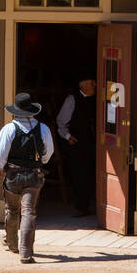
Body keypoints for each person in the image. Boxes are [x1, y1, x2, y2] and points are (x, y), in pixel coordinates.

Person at [0, 92, 55, 264]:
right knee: (29, 212)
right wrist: (39, 162)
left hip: (13, 174)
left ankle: (13, 244)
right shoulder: (43, 129)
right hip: (34, 175)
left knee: (12, 209)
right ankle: (26, 253)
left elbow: (0, 154)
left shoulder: (9, 129)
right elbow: (48, 153)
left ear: (15, 111)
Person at [57, 78, 97, 216]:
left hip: (93, 142)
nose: (95, 85)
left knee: (91, 174)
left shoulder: (97, 99)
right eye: (92, 82)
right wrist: (68, 136)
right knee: (80, 174)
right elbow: (61, 121)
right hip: (78, 143)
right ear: (83, 85)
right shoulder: (72, 99)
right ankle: (81, 207)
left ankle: (87, 205)